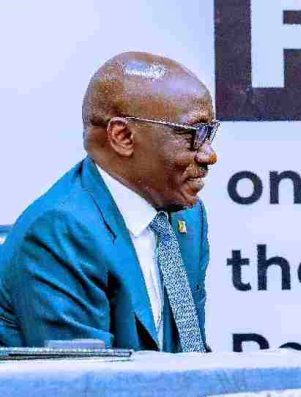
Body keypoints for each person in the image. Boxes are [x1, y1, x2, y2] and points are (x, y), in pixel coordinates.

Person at [0, 52, 219, 352]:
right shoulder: (60, 231)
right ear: (123, 136)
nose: (209, 155)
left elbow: (191, 355)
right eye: (193, 135)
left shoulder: (188, 218)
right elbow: (88, 382)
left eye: (210, 134)